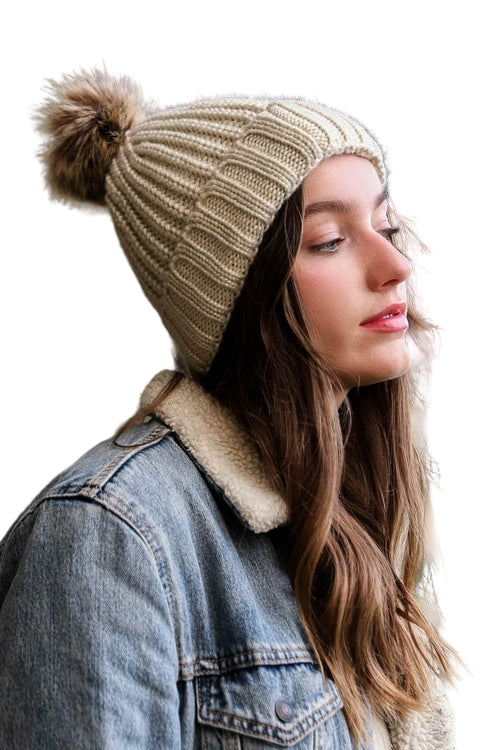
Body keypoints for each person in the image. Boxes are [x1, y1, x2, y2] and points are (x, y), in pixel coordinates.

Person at [0, 69, 457, 749]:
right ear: (240, 296)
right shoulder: (106, 539)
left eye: (385, 224)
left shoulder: (365, 517)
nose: (394, 264)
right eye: (329, 241)